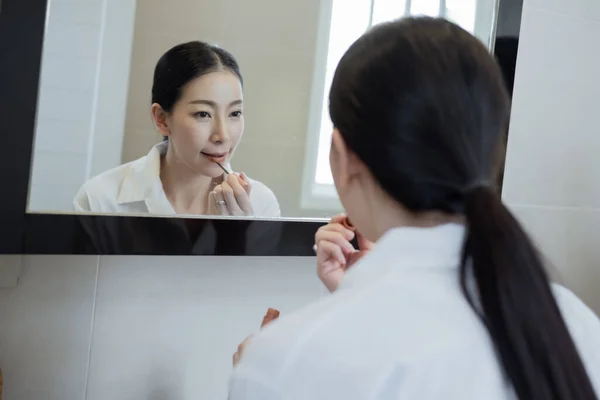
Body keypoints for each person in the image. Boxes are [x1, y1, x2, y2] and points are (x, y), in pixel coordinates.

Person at [228, 17, 600, 399]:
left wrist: (264, 375)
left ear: (342, 157)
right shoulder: (574, 325)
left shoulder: (285, 362)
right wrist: (353, 301)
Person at [74, 41, 280, 217]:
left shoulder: (261, 205)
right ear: (162, 119)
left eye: (235, 113)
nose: (223, 136)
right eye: (203, 114)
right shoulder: (99, 200)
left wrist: (238, 239)